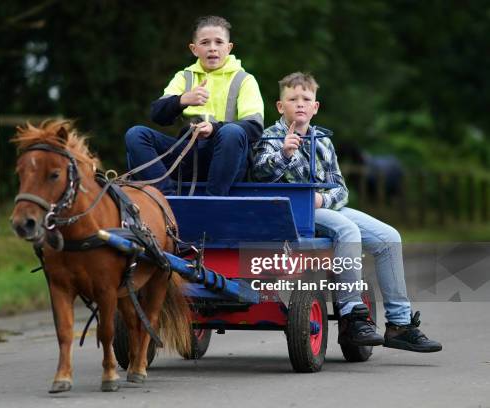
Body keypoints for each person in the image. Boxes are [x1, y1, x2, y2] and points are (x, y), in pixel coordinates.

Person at [252, 72, 442, 353]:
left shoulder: (324, 141)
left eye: (306, 99)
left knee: (389, 237)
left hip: (322, 208)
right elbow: (259, 176)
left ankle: (400, 324)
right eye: (292, 99)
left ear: (315, 107)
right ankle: (352, 316)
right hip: (290, 212)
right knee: (347, 231)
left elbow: (340, 190)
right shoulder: (270, 138)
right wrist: (284, 155)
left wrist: (321, 200)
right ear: (281, 106)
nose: (300, 104)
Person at [125, 15, 264, 196]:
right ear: (194, 49)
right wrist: (182, 100)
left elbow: (254, 128)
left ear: (228, 48)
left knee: (232, 132)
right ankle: (167, 197)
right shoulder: (184, 76)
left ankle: (213, 201)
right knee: (136, 134)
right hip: (187, 156)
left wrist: (214, 129)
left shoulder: (245, 80)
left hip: (226, 161)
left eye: (219, 42)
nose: (212, 48)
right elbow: (157, 114)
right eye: (205, 42)